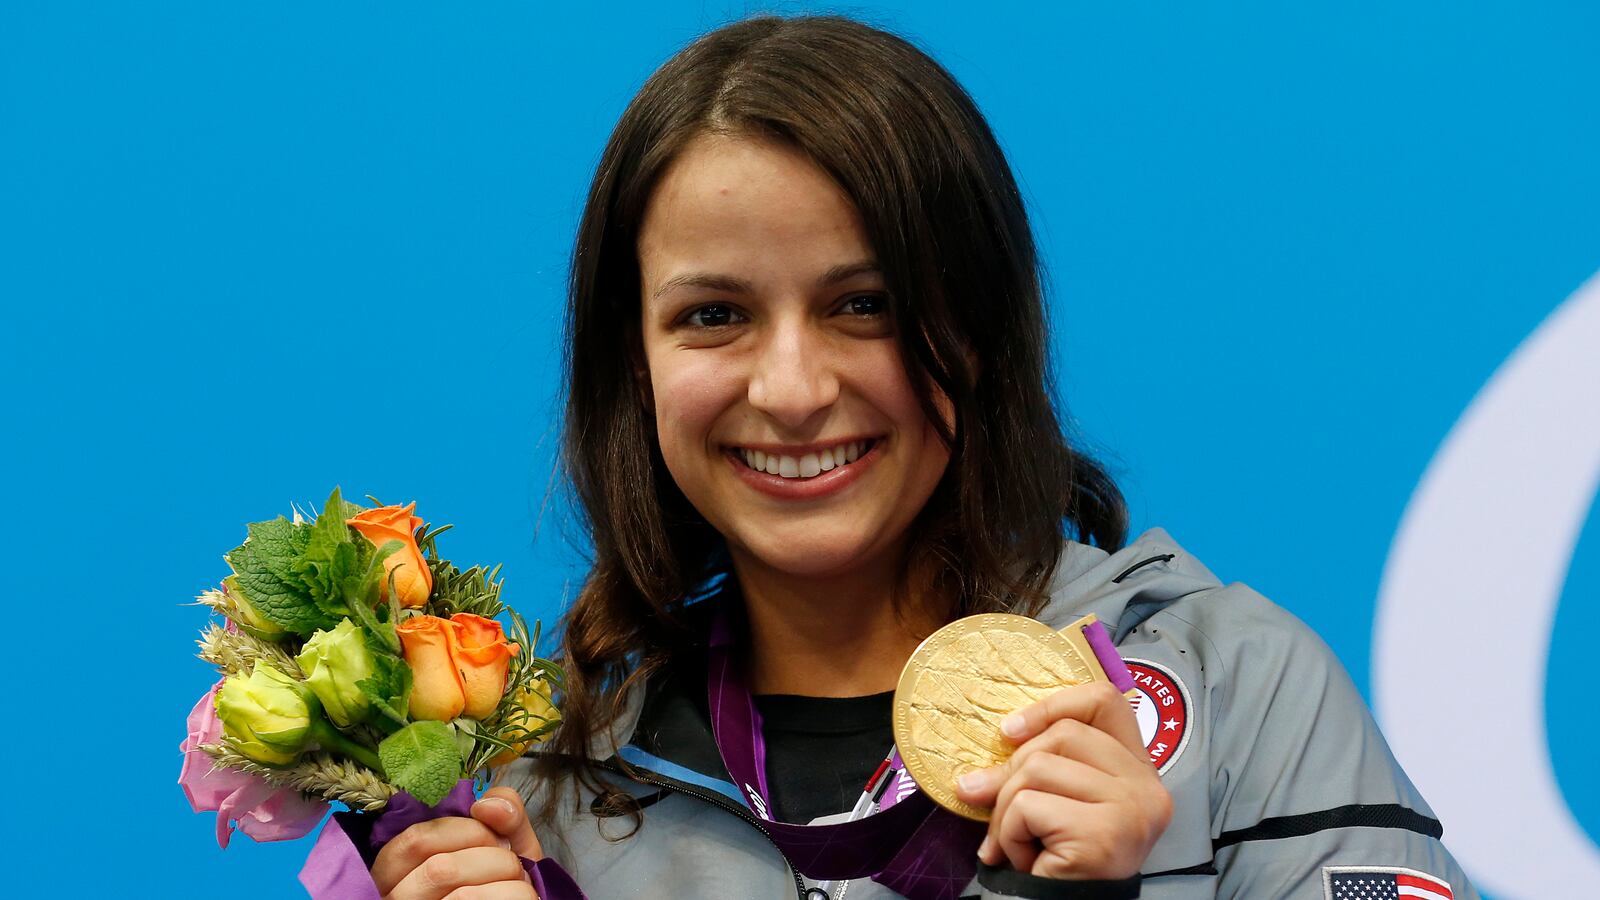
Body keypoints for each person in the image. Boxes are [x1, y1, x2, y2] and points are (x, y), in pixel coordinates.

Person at [370, 14, 1480, 900]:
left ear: (980, 329)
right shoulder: (537, 805)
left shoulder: (1237, 691)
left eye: (865, 305)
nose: (794, 390)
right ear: (638, 363)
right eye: (713, 316)